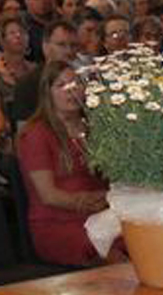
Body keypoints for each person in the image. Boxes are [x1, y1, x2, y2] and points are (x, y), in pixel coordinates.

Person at [16, 62, 110, 266]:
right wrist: (91, 202)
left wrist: (110, 200)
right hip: (59, 223)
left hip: (102, 212)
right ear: (47, 93)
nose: (71, 89)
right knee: (109, 249)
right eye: (61, 85)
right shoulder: (36, 134)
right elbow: (49, 196)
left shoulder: (96, 127)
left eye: (76, 82)